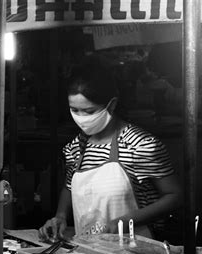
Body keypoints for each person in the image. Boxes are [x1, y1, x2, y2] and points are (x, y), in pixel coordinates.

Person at [40, 55, 181, 241]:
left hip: (138, 250)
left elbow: (174, 196)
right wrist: (60, 216)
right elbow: (69, 187)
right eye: (75, 110)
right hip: (90, 251)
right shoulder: (75, 147)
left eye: (89, 111)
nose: (81, 117)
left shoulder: (140, 145)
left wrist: (126, 220)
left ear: (111, 105)